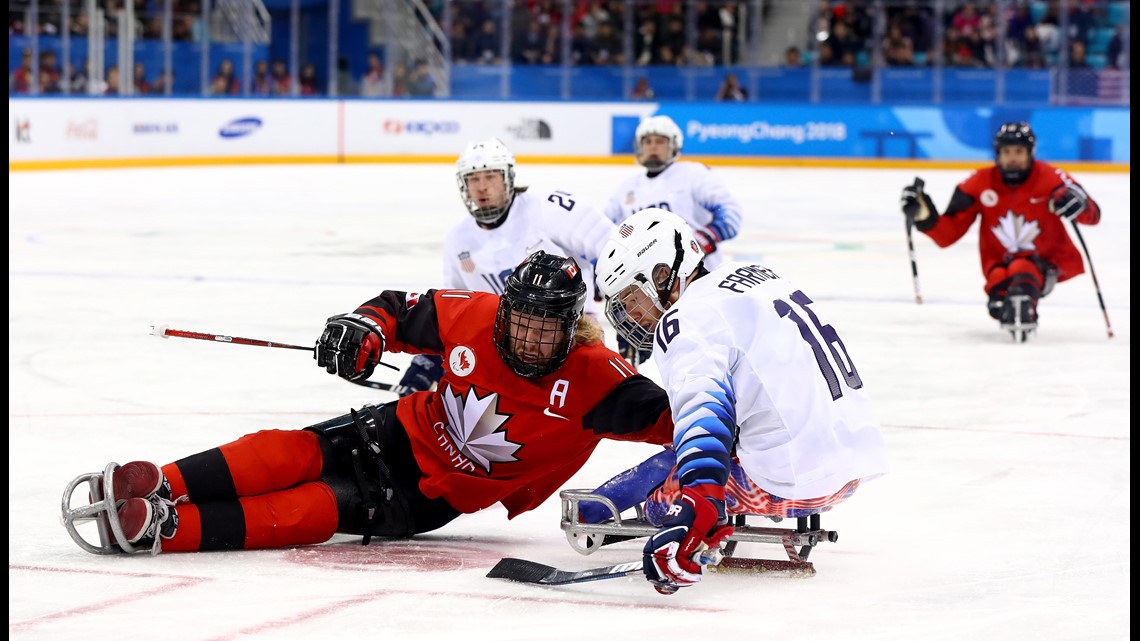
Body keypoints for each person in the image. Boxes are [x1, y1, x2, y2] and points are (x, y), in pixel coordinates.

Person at [61, 252, 674, 556]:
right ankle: (161, 482)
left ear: (574, 328)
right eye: (523, 321)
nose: (530, 338)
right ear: (506, 308)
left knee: (315, 508)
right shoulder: (478, 317)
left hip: (431, 497)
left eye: (548, 328)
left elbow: (688, 422)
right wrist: (363, 328)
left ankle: (167, 530)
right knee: (291, 450)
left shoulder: (600, 381)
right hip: (400, 430)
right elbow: (395, 308)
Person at [589, 208, 889, 595]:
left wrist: (698, 502)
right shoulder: (757, 275)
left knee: (658, 500)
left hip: (796, 483)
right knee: (681, 450)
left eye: (632, 297)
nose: (629, 315)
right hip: (855, 461)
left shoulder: (684, 318)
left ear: (663, 275)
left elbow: (703, 411)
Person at [394, 138, 616, 396]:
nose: (482, 187)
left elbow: (614, 248)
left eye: (490, 176)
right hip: (507, 349)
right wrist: (428, 361)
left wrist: (625, 313)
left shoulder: (549, 208)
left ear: (508, 177)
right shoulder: (458, 239)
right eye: (473, 179)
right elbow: (455, 313)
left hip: (572, 338)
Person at [900, 122, 1101, 338]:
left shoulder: (1052, 178)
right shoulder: (978, 183)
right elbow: (948, 234)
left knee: (1022, 270)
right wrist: (925, 216)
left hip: (1046, 261)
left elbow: (1093, 216)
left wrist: (1079, 205)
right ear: (997, 154)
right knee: (999, 289)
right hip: (998, 265)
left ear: (1030, 153)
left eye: (1018, 152)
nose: (1012, 158)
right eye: (1006, 152)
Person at [604, 114, 745, 366]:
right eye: (647, 141)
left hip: (699, 283)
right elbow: (607, 235)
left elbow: (731, 214)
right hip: (649, 295)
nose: (653, 147)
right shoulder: (625, 189)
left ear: (674, 147)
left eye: (660, 141)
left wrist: (699, 241)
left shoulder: (692, 174)